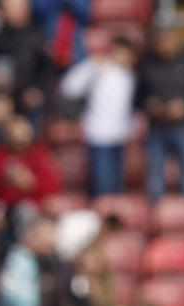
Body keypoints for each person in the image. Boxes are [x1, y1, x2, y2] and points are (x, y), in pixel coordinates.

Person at [137, 28, 184, 200]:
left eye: (168, 40)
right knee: (155, 179)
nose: (165, 45)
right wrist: (149, 105)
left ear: (176, 40)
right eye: (161, 41)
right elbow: (137, 99)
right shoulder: (147, 66)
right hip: (157, 128)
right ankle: (156, 218)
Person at [60, 35, 137, 196]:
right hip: (98, 135)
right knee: (102, 185)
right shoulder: (99, 68)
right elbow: (69, 87)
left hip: (119, 137)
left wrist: (129, 129)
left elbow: (127, 108)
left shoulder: (130, 76)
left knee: (117, 186)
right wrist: (91, 66)